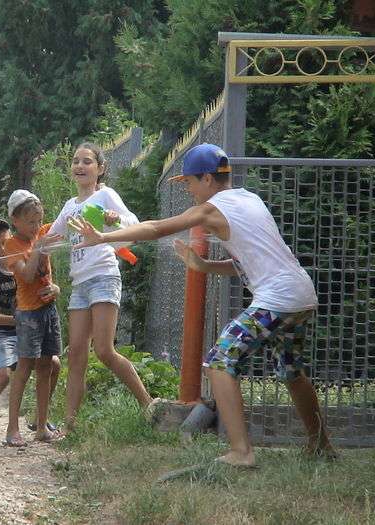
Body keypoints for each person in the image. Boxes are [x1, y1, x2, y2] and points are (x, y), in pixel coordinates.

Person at [72, 143, 336, 467]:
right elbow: (250, 260)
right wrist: (205, 266)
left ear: (208, 179)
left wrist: (103, 237)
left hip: (278, 299)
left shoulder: (213, 208)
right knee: (292, 371)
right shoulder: (248, 199)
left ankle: (241, 452)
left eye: (190, 182)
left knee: (219, 361)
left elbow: (156, 227)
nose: (189, 189)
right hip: (301, 295)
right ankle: (320, 444)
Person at [48, 142, 153, 431]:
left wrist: (115, 219)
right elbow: (52, 237)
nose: (79, 166)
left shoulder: (106, 195)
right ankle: (69, 425)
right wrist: (28, 246)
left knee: (105, 351)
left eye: (87, 161)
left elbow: (133, 223)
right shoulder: (70, 206)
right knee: (77, 353)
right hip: (80, 283)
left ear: (100, 168)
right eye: (75, 161)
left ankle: (149, 405)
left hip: (104, 277)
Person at [4, 190, 63, 446]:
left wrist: (56, 288)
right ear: (15, 220)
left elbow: (49, 274)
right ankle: (12, 428)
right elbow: (27, 276)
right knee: (24, 369)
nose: (37, 226)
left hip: (49, 310)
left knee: (46, 367)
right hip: (28, 314)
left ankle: (41, 427)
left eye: (39, 221)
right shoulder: (12, 245)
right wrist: (38, 248)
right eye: (31, 222)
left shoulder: (42, 235)